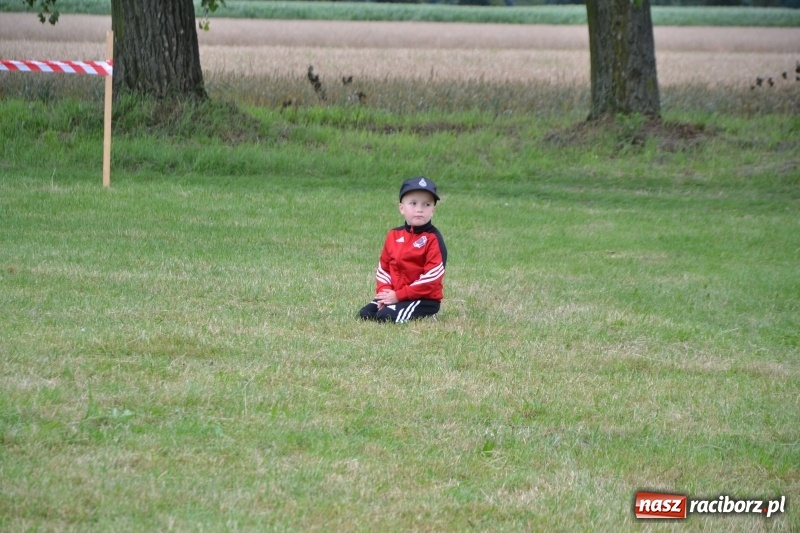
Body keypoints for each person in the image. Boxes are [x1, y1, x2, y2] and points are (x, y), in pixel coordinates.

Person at [359, 176, 447, 323]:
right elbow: (384, 268)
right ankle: (393, 305)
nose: (419, 209)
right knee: (366, 314)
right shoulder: (394, 235)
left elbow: (431, 278)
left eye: (426, 204)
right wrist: (385, 293)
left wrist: (398, 296)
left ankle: (428, 315)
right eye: (413, 203)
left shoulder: (433, 239)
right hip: (396, 295)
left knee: (385, 317)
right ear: (402, 208)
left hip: (423, 298)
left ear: (433, 210)